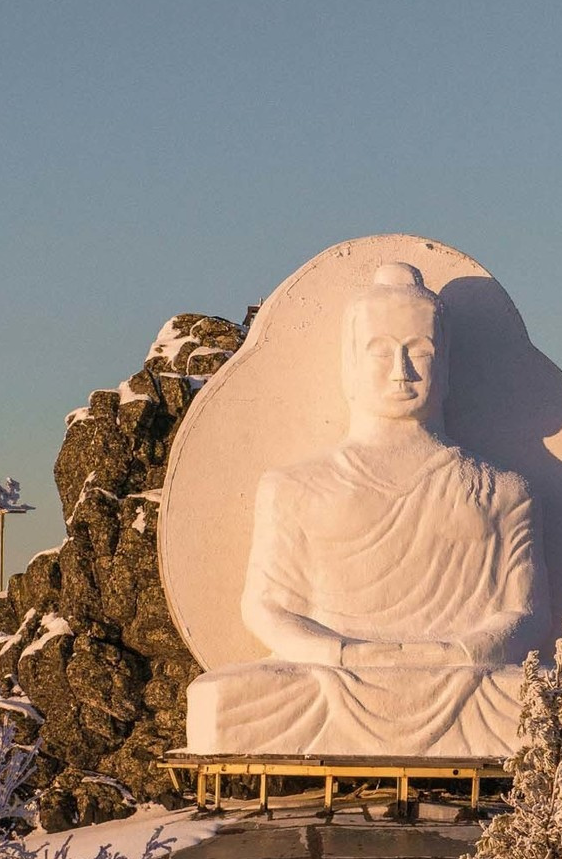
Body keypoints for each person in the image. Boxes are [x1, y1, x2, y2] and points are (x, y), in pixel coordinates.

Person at [183, 262, 540, 758]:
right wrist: (344, 653)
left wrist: (453, 652)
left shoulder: (500, 489)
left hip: (464, 679)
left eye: (420, 352)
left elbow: (523, 613)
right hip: (328, 678)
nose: (402, 370)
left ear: (448, 365)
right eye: (381, 353)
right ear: (349, 363)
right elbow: (265, 608)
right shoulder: (294, 486)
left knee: (543, 701)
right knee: (220, 701)